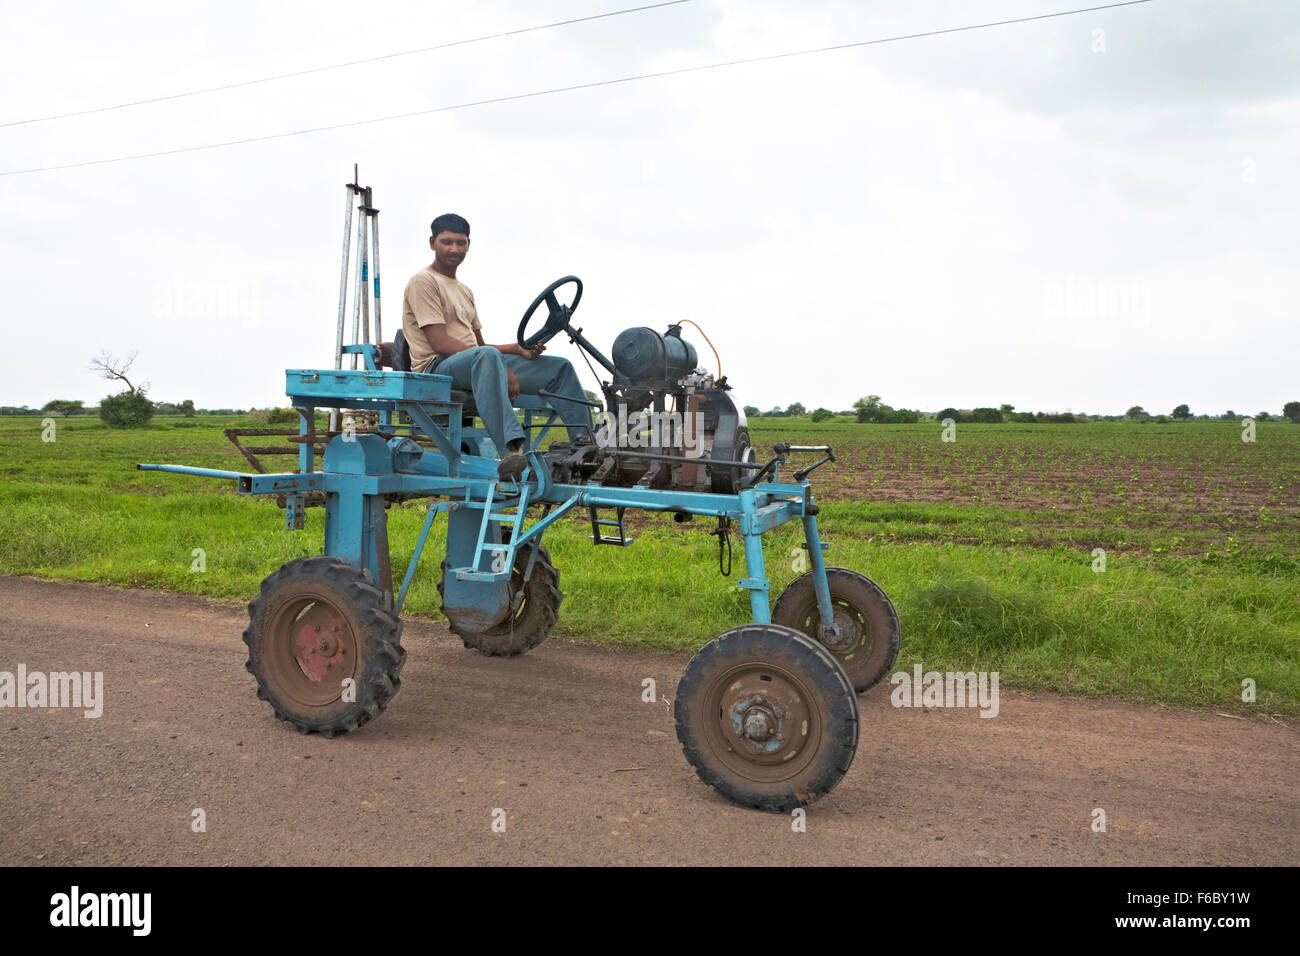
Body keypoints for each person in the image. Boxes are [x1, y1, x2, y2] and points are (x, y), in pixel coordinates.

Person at [385, 213, 593, 480]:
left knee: (559, 369)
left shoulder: (464, 290)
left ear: (468, 245)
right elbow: (440, 342)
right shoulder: (423, 281)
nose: (454, 249)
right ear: (432, 243)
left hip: (475, 362)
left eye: (460, 243)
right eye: (446, 242)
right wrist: (499, 367)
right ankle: (510, 452)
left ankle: (586, 446)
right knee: (486, 358)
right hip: (437, 368)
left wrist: (516, 350)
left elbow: (478, 345)